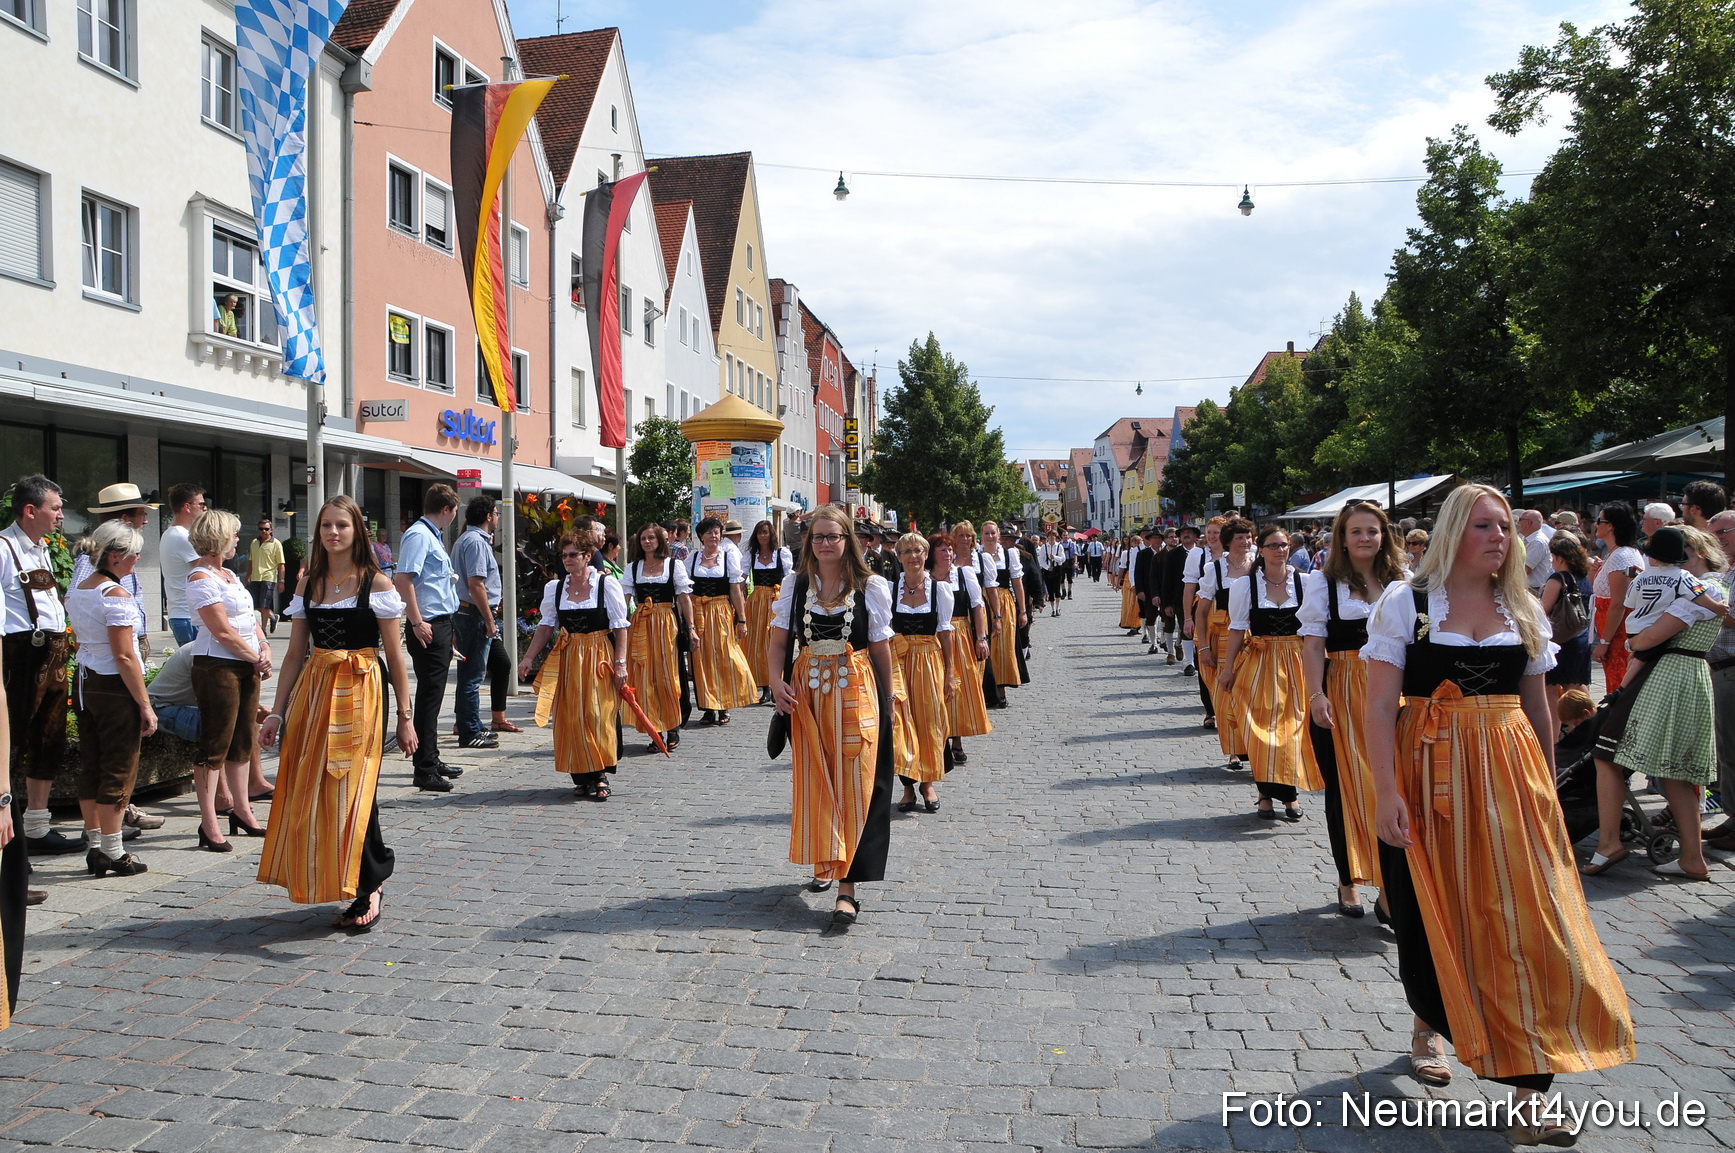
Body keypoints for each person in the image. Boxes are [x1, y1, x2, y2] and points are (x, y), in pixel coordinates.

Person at [1365, 484, 1631, 1140]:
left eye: (1505, 526)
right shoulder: (1408, 603)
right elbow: (1376, 707)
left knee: (1525, 919)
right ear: (1455, 530)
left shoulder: (1522, 606)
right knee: (1435, 906)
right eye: (1484, 525)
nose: (1498, 537)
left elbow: (1537, 705)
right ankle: (1428, 1024)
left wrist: (1544, 783)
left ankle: (1528, 1098)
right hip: (1429, 770)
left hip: (1509, 773)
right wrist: (1383, 790)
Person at [258, 496, 415, 933]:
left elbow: (396, 656)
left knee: (354, 783)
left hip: (362, 685)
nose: (333, 533)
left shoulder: (377, 584)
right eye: (326, 525)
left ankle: (369, 884)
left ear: (356, 531)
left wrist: (406, 715)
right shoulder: (309, 583)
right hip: (316, 687)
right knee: (318, 787)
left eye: (341, 525)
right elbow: (293, 656)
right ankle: (349, 876)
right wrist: (276, 713)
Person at [767, 505, 896, 926]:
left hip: (856, 691)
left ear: (847, 541)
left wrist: (889, 699)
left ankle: (847, 888)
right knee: (818, 784)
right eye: (818, 537)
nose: (825, 544)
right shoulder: (795, 585)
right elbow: (779, 640)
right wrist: (774, 681)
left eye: (833, 537)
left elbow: (879, 648)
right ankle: (827, 858)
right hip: (808, 697)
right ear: (809, 542)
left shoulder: (870, 586)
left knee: (856, 786)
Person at [1580, 527, 1727, 880]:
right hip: (1686, 674)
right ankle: (1691, 856)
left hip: (1667, 676)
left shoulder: (1693, 588)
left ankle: (1610, 842)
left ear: (1698, 552)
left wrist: (1632, 643)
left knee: (1607, 753)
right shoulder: (1703, 588)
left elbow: (1648, 638)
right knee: (1674, 768)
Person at [1300, 502, 1404, 918]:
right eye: (1356, 531)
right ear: (1342, 538)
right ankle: (1349, 878)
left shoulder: (1403, 581)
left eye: (1372, 531)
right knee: (1346, 788)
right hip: (1343, 690)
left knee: (1398, 785)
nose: (1365, 538)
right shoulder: (1324, 584)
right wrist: (1315, 695)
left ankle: (1392, 887)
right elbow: (1311, 645)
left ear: (1384, 536)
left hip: (1394, 692)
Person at [66, 522, 156, 878]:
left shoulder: (78, 592)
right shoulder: (115, 596)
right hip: (112, 684)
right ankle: (114, 850)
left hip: (85, 679)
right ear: (115, 556)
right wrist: (145, 703)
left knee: (93, 764)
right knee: (119, 766)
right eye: (134, 554)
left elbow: (82, 643)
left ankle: (95, 845)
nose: (137, 560)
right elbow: (125, 656)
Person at [1219, 524, 1320, 820]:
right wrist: (1227, 669)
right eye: (1274, 545)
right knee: (1261, 732)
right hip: (1260, 662)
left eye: (1284, 545)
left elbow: (1316, 631)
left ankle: (1290, 795)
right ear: (1259, 550)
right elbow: (1237, 630)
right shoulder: (1245, 586)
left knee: (1293, 729)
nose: (1281, 550)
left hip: (1296, 661)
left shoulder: (1306, 582)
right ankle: (1264, 794)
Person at [2, 476, 80, 858]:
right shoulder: (3, 548)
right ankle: (9, 839)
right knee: (12, 744)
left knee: (49, 740)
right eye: (55, 507)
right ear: (30, 510)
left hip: (52, 653)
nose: (61, 515)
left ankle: (35, 828)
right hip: (20, 657)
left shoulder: (42, 548)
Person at [520, 529, 629, 800]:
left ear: (588, 556)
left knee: (598, 714)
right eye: (564, 555)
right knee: (571, 716)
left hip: (599, 654)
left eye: (573, 555)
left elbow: (620, 627)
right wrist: (528, 657)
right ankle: (581, 774)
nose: (567, 560)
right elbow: (546, 626)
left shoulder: (606, 585)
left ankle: (600, 772)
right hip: (569, 655)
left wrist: (621, 663)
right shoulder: (555, 588)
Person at [185, 509, 271, 853]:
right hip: (217, 666)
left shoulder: (228, 575)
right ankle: (209, 822)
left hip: (245, 663)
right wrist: (254, 655)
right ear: (219, 538)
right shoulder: (201, 577)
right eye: (234, 535)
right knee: (215, 742)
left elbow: (249, 621)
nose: (238, 540)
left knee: (242, 739)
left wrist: (262, 645)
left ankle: (243, 810)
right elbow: (220, 630)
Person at [394, 484, 462, 792]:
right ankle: (424, 767)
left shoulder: (431, 535)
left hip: (439, 622)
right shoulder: (420, 536)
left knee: (433, 696)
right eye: (454, 512)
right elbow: (403, 579)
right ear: (446, 510)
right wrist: (417, 621)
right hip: (428, 623)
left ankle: (431, 757)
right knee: (429, 697)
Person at [888, 533, 954, 814]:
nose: (913, 556)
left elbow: (946, 633)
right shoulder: (889, 590)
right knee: (901, 724)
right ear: (899, 556)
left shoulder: (940, 590)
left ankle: (927, 783)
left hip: (928, 663)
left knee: (929, 722)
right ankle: (906, 787)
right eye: (907, 552)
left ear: (926, 555)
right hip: (898, 663)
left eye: (918, 551)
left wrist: (951, 672)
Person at [623, 523, 693, 752]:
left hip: (666, 624)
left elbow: (683, 598)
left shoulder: (674, 565)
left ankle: (672, 725)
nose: (647, 542)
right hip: (641, 623)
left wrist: (691, 628)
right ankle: (655, 731)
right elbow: (623, 601)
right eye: (643, 538)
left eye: (651, 538)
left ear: (659, 541)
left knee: (667, 676)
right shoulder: (633, 568)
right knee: (645, 679)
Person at [1195, 517, 1255, 766]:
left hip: (1254, 638)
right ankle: (1234, 748)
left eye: (1248, 537)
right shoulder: (1216, 569)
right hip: (1223, 636)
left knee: (1252, 693)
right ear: (1229, 542)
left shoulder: (1259, 567)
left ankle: (1254, 746)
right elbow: (1201, 611)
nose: (1245, 542)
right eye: (1239, 538)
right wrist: (1203, 646)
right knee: (1226, 693)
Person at [452, 496, 509, 752]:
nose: (497, 517)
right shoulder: (475, 541)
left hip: (471, 613)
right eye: (496, 513)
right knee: (472, 676)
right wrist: (489, 619)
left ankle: (471, 722)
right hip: (474, 614)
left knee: (476, 672)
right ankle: (469, 730)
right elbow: (476, 584)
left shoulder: (470, 539)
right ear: (488, 516)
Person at [685, 517, 755, 726]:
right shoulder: (692, 558)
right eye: (709, 532)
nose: (714, 536)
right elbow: (686, 592)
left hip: (721, 611)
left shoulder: (727, 558)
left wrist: (741, 619)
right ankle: (707, 707)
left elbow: (735, 590)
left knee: (723, 656)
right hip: (698, 611)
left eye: (716, 532)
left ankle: (723, 704)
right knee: (701, 659)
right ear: (701, 536)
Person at [928, 532, 990, 766]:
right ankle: (939, 737)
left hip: (960, 635)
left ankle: (957, 739)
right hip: (933, 636)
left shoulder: (963, 574)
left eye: (950, 550)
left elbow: (977, 606)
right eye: (943, 549)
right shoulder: (925, 578)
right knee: (935, 686)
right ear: (932, 553)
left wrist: (981, 637)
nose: (948, 554)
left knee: (958, 687)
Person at [1700, 509, 1735, 853]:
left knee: (1732, 748)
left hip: (1732, 667)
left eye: (1723, 532)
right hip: (1720, 666)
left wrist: (1705, 610)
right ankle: (1732, 817)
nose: (1718, 540)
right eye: (1714, 534)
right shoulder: (1727, 572)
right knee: (1726, 749)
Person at [1540, 533, 1595, 731]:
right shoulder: (1583, 578)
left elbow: (1543, 609)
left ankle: (1554, 739)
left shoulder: (1558, 578)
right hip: (1581, 638)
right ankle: (1588, 730)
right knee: (1578, 689)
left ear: (1560, 558)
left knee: (1551, 693)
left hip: (1559, 640)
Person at [1591, 502, 1645, 695]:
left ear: (1611, 525)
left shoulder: (1622, 556)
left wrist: (1604, 643)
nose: (1596, 524)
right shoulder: (1616, 554)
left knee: (1619, 687)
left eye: (1600, 520)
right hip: (1614, 635)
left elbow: (1618, 604)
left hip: (1618, 637)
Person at [744, 520, 794, 704]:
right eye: (759, 533)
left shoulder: (782, 554)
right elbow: (741, 579)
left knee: (774, 641)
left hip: (776, 600)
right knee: (758, 644)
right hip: (757, 601)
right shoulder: (751, 556)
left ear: (771, 534)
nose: (763, 536)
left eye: (765, 532)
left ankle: (776, 684)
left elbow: (789, 579)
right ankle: (764, 686)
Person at [978, 521, 1026, 701]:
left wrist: (1022, 610)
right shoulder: (976, 554)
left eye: (992, 533)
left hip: (1004, 602)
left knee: (1003, 645)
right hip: (982, 601)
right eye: (986, 533)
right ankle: (984, 690)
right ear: (981, 535)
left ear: (998, 534)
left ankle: (1001, 689)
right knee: (984, 643)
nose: (990, 537)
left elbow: (1017, 583)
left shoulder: (1009, 554)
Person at [160, 484, 207, 647]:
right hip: (188, 616)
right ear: (187, 507)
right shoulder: (182, 537)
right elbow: (208, 569)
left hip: (182, 614)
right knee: (198, 668)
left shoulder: (171, 533)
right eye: (201, 504)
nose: (205, 509)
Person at [1158, 526, 1193, 666]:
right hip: (1179, 597)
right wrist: (1166, 603)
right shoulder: (1173, 555)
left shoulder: (1203, 552)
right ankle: (1189, 663)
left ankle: (1190, 654)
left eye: (1189, 533)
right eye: (1183, 534)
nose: (1186, 535)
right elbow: (1167, 580)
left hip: (1201, 598)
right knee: (1184, 625)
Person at [247, 517, 285, 636]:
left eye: (266, 529)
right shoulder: (254, 543)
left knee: (264, 604)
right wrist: (248, 575)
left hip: (268, 577)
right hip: (255, 577)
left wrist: (281, 581)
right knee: (255, 605)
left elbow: (281, 564)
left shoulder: (276, 544)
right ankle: (273, 616)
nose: (263, 531)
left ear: (271, 530)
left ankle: (263, 629)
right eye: (261, 529)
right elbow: (251, 561)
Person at [1519, 509, 1551, 595]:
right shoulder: (1528, 539)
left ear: (1529, 523)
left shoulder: (1537, 542)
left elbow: (1525, 569)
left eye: (1520, 519)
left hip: (1533, 590)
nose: (1518, 523)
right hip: (1529, 588)